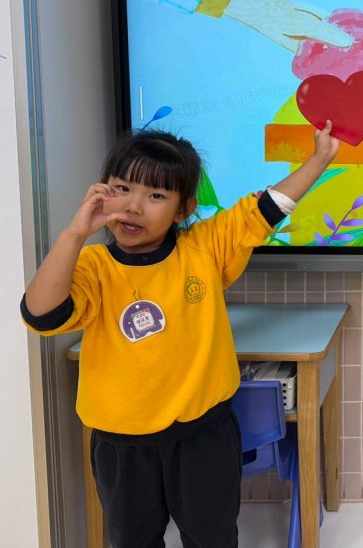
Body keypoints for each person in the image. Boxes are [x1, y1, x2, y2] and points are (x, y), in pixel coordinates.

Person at [21, 122, 340, 548]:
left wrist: (318, 159)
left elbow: (265, 208)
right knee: (132, 540)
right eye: (122, 188)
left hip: (203, 436)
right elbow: (40, 315)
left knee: (212, 538)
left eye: (156, 195)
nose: (134, 206)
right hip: (122, 444)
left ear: (183, 209)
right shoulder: (93, 266)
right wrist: (74, 234)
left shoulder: (203, 248)